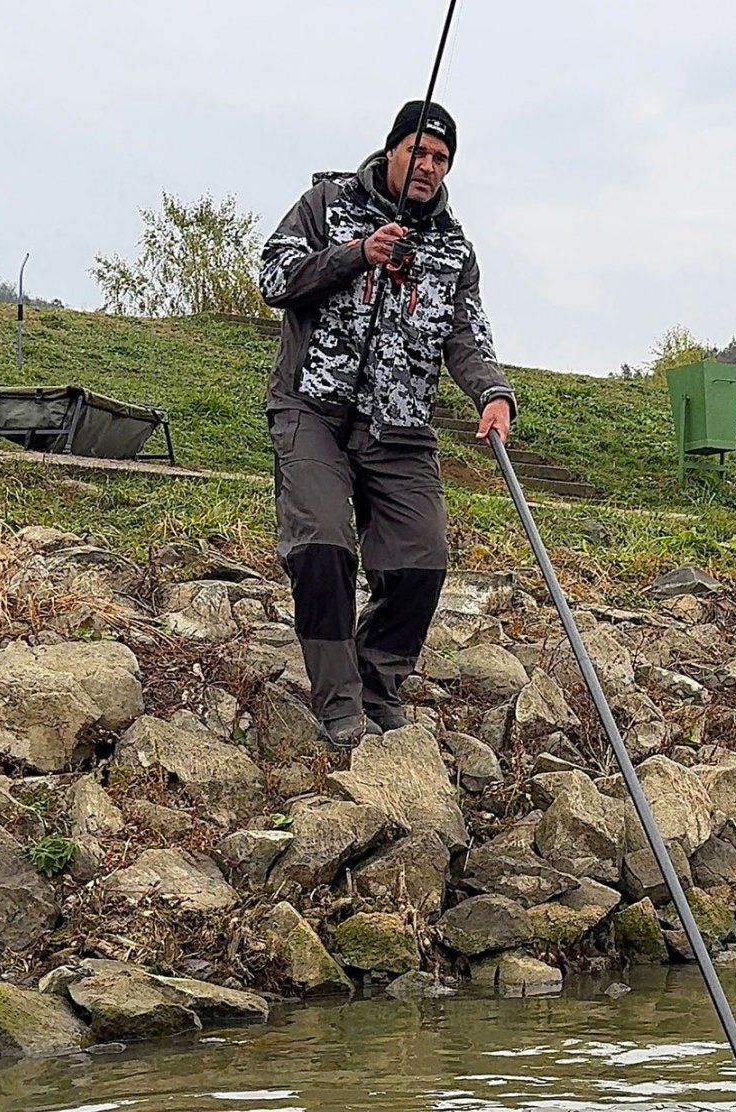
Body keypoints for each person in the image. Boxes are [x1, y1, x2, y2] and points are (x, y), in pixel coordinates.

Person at [259, 99, 515, 747]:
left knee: (423, 560)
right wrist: (356, 254)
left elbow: (467, 333)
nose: (428, 166)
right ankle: (338, 700)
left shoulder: (454, 247)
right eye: (418, 152)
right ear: (392, 150)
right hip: (311, 409)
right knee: (322, 545)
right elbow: (274, 275)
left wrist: (493, 393)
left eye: (441, 158)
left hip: (399, 426)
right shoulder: (324, 204)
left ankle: (376, 680)